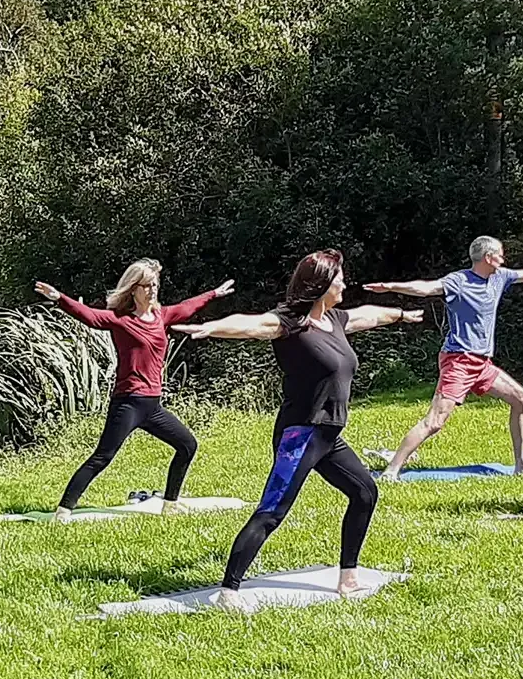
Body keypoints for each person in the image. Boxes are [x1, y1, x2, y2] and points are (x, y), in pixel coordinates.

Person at [174, 249, 422, 608]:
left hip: (328, 436)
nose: (344, 282)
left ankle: (348, 578)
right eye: (338, 277)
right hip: (300, 435)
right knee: (272, 511)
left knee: (365, 492)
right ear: (320, 284)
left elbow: (368, 315)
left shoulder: (334, 320)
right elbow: (253, 324)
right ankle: (228, 591)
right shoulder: (290, 323)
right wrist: (211, 328)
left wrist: (399, 314)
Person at [365, 236, 523, 481]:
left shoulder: (500, 277)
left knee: (521, 399)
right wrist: (390, 286)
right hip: (459, 361)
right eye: (501, 255)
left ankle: (521, 464)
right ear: (488, 257)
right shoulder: (459, 281)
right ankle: (391, 471)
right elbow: (426, 288)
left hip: (482, 363)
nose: (504, 259)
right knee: (435, 422)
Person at [34, 260, 235, 519]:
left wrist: (213, 294)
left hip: (152, 407)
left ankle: (170, 504)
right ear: (133, 289)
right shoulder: (121, 320)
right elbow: (91, 316)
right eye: (146, 286)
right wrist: (60, 298)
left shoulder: (162, 316)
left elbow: (186, 308)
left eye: (154, 285)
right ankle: (64, 510)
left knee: (187, 445)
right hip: (128, 403)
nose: (152, 290)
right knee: (102, 457)